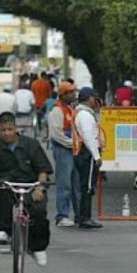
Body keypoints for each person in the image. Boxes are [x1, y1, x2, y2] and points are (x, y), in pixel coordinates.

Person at [0, 112, 53, 267]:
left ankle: (38, 248)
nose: (7, 133)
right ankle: (3, 230)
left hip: (31, 186)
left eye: (10, 129)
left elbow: (43, 170)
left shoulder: (31, 144)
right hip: (8, 186)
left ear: (16, 128)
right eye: (3, 130)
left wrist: (40, 186)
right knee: (0, 195)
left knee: (39, 211)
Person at [48, 81, 80, 226]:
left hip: (72, 149)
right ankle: (62, 216)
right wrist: (72, 143)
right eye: (71, 92)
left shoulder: (69, 109)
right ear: (64, 95)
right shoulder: (57, 111)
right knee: (64, 183)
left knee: (75, 183)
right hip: (63, 150)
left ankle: (79, 214)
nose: (74, 94)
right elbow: (57, 135)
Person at [72, 87, 103, 228]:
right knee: (88, 186)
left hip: (83, 152)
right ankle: (85, 217)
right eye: (94, 98)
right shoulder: (85, 115)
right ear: (89, 98)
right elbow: (88, 136)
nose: (95, 100)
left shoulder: (82, 113)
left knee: (85, 185)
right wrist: (96, 156)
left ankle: (82, 216)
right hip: (88, 153)